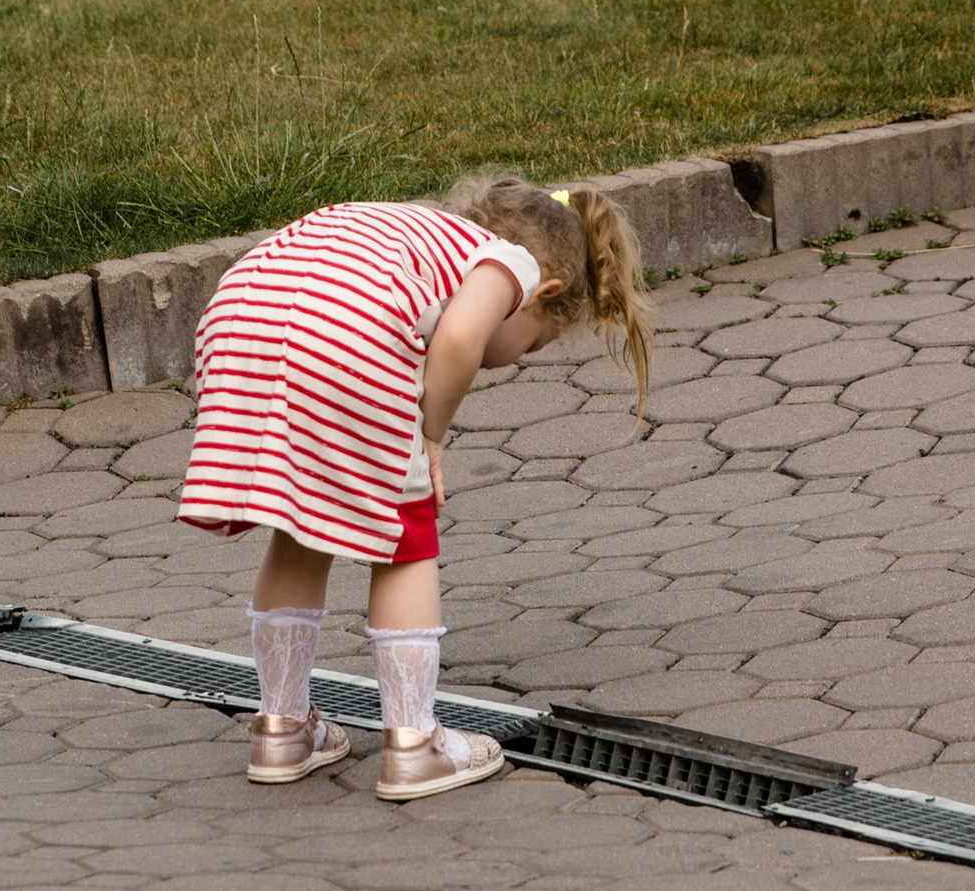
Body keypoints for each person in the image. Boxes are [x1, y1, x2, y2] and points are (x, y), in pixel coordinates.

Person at [178, 179, 652, 800]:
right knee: (404, 538)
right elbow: (458, 339)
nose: (513, 355)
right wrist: (431, 431)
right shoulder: (510, 261)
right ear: (545, 293)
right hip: (342, 337)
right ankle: (414, 745)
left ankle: (283, 727)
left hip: (243, 319)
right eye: (532, 342)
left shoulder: (413, 232)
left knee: (299, 523)